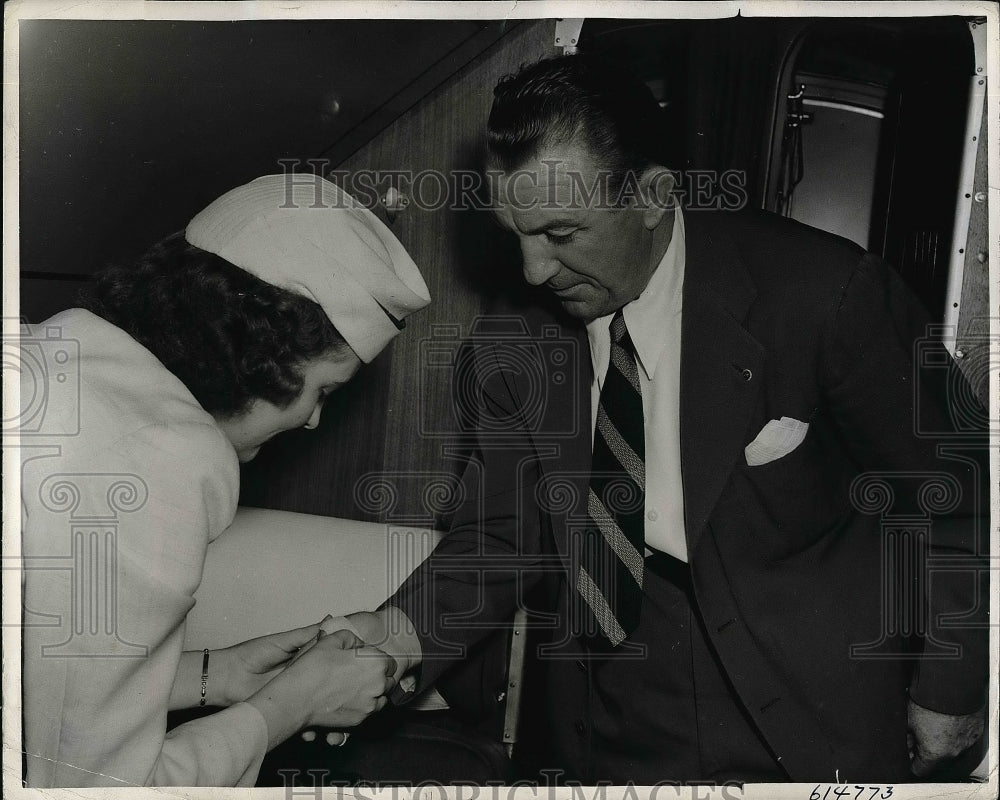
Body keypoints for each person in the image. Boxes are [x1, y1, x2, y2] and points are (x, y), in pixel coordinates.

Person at [345, 55, 989, 783]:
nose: (532, 272)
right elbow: (502, 533)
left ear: (653, 195)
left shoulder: (828, 295)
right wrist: (394, 640)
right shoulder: (513, 338)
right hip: (603, 704)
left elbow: (956, 493)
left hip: (807, 703)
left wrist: (952, 685)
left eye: (561, 233)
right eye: (513, 233)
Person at [20, 174, 431, 787]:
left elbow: (47, 678)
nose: (314, 420)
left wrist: (218, 672)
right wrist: (288, 708)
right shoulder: (162, 458)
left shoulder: (65, 347)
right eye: (324, 391)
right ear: (261, 353)